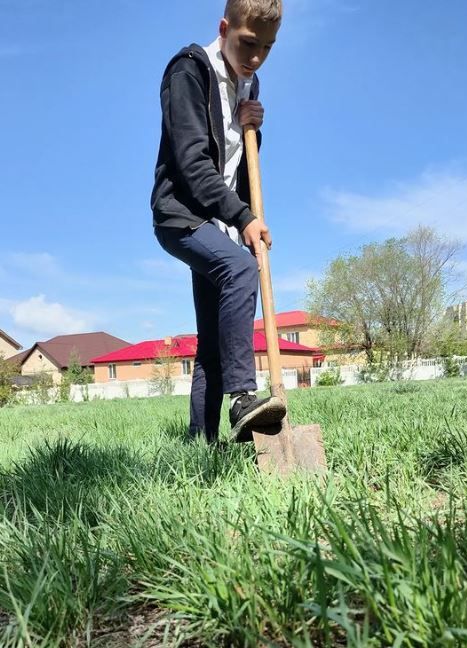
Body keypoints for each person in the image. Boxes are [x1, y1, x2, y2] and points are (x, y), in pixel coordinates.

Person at [151, 0, 285, 443]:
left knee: (211, 341)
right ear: (224, 28)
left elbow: (236, 163)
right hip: (181, 216)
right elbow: (192, 164)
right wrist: (243, 217)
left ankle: (201, 444)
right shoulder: (188, 71)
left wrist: (254, 132)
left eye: (267, 48)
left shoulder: (248, 83)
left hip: (217, 224)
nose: (256, 58)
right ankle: (243, 397)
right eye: (248, 43)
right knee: (241, 270)